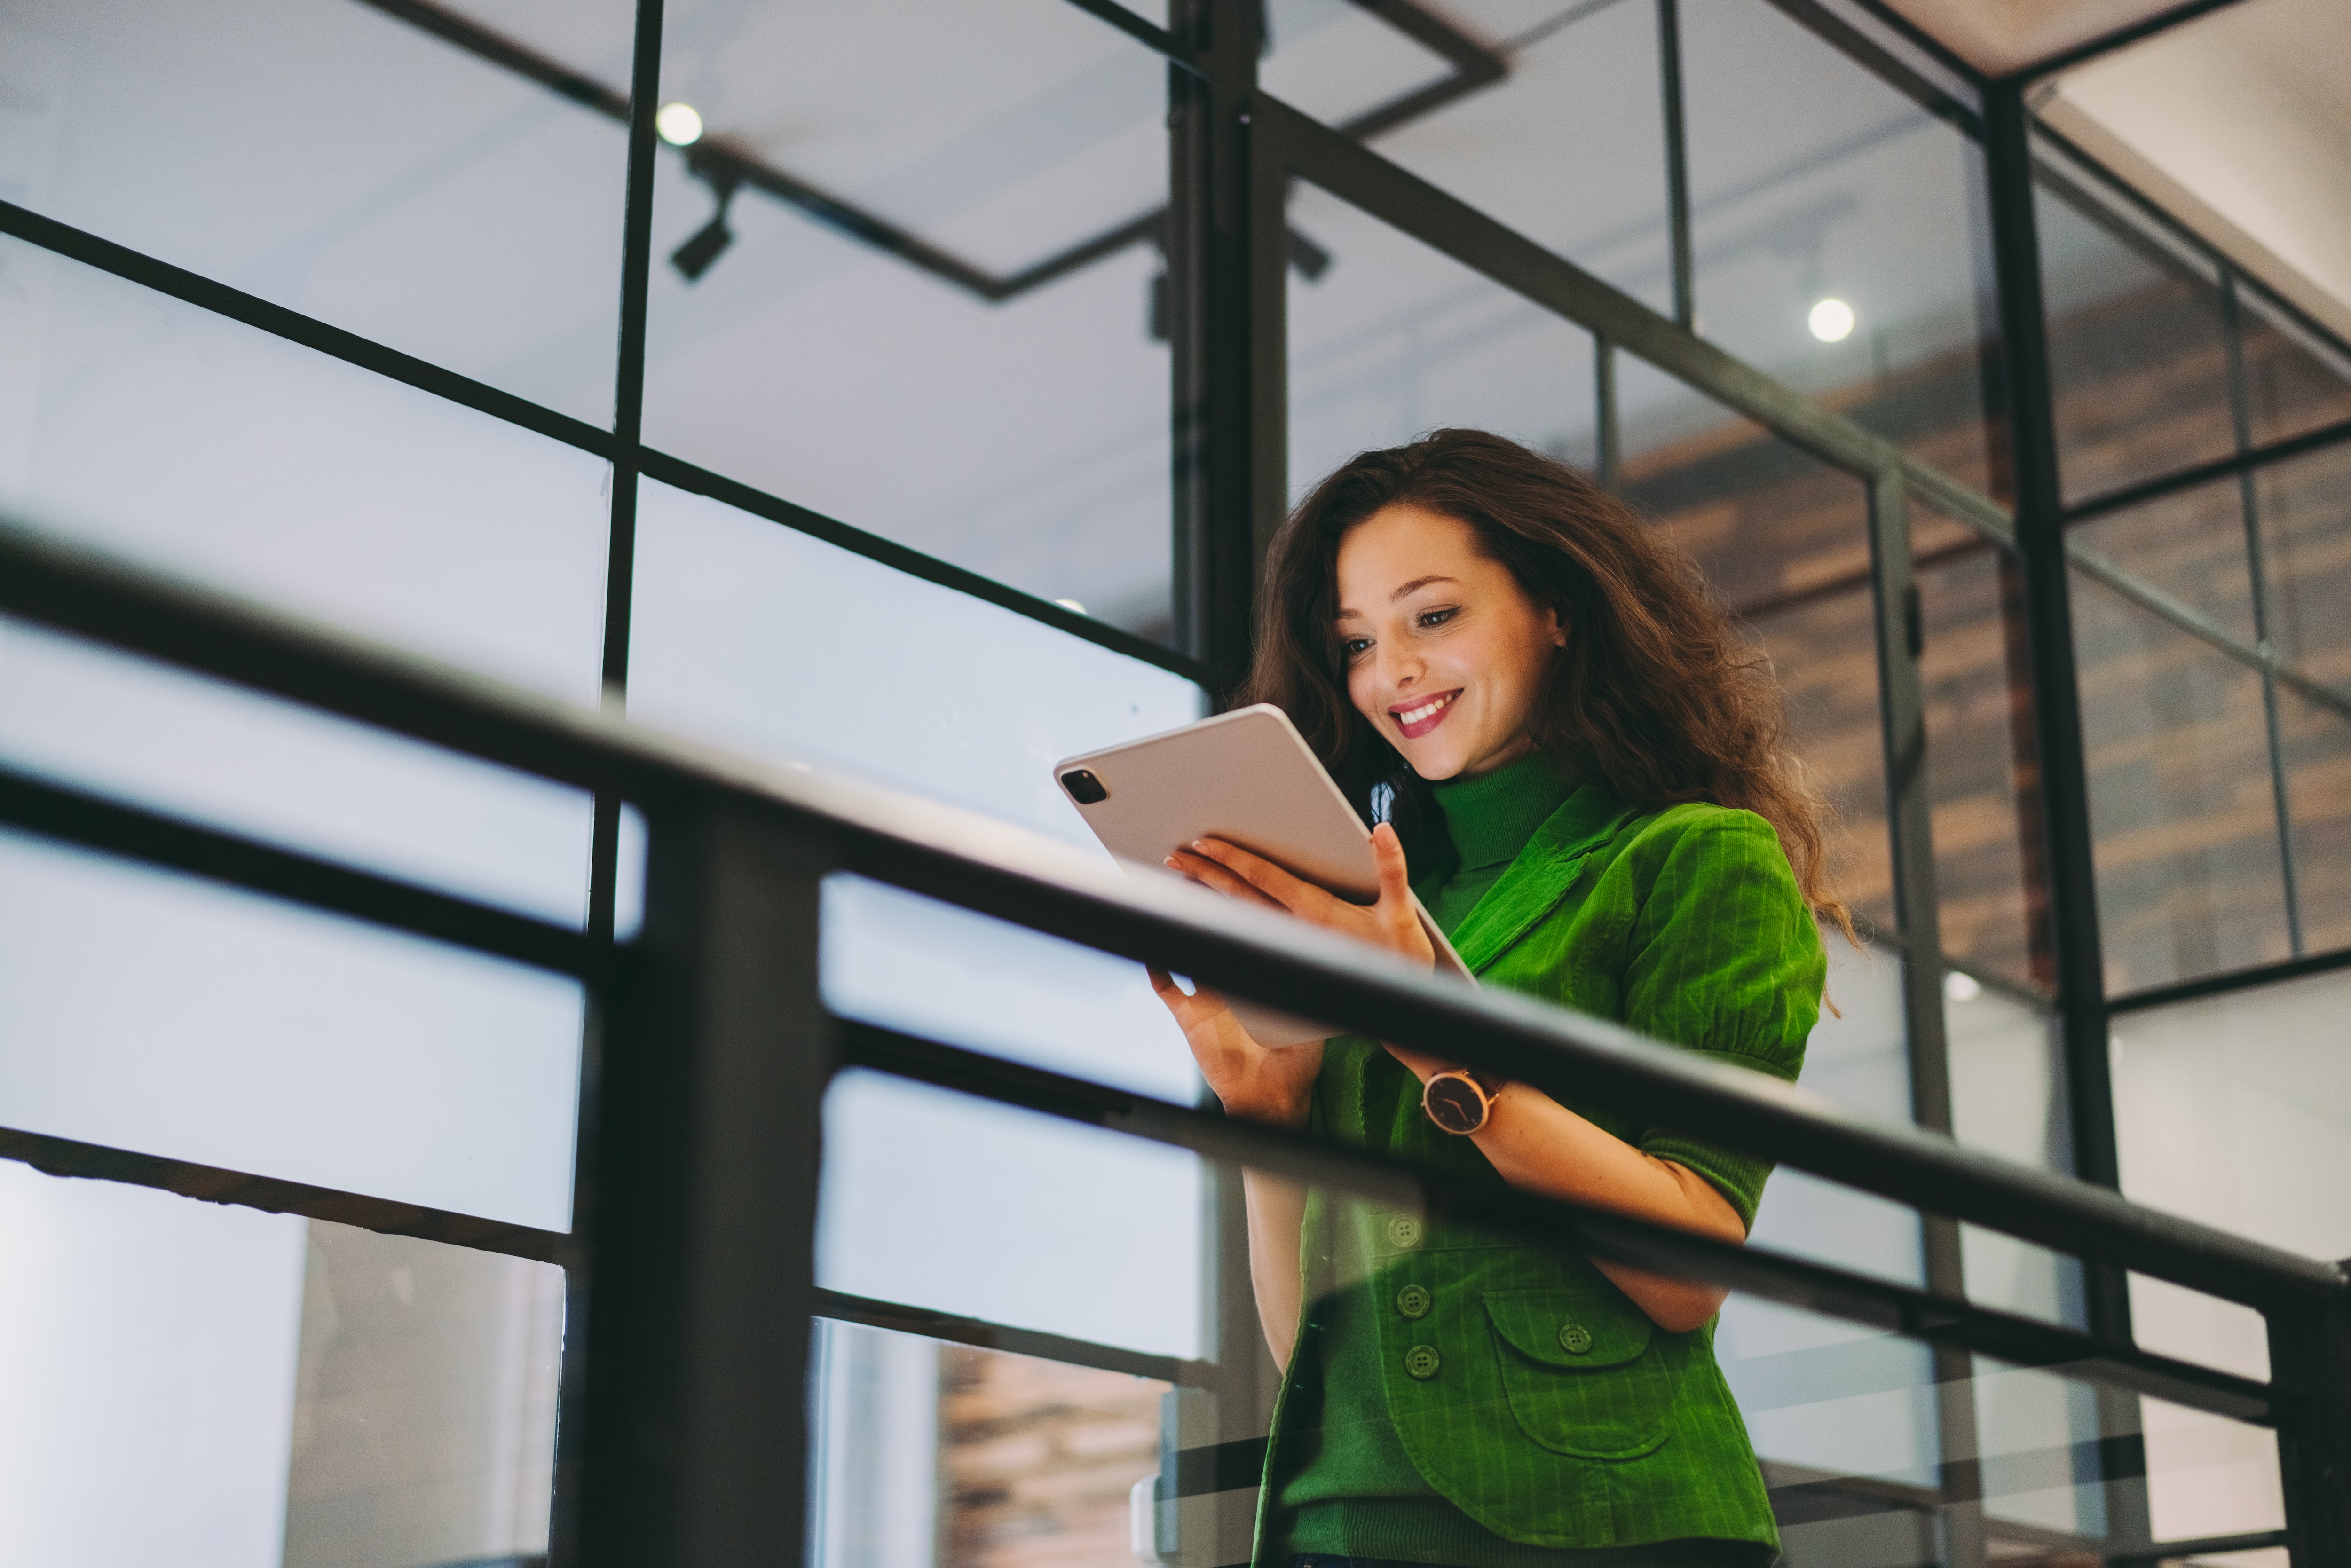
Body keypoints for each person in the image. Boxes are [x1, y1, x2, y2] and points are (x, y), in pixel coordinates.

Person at [1149, 429, 1851, 1568]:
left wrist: (1435, 1041)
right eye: (1358, 644)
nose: (1394, 674)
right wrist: (1265, 1116)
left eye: (1433, 617)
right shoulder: (1371, 902)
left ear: (1557, 609)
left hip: (1604, 1529)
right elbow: (1306, 1345)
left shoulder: (1692, 861)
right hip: (1337, 1526)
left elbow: (1688, 1275)